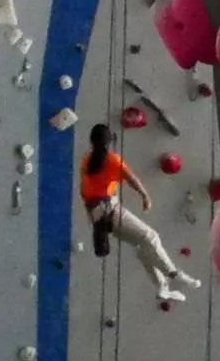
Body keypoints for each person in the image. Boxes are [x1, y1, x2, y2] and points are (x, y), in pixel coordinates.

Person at [78, 124, 199, 306]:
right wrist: (145, 196)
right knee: (150, 237)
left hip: (97, 213)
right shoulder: (112, 160)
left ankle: (162, 286)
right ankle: (173, 273)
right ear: (108, 142)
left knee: (142, 246)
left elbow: (83, 191)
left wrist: (94, 218)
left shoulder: (86, 161)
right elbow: (132, 179)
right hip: (109, 208)